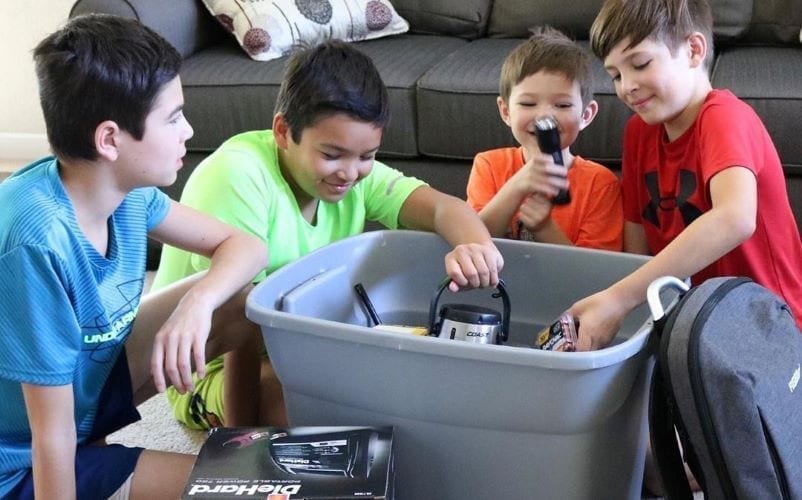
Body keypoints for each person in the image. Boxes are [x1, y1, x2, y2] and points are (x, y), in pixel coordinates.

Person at [152, 40, 505, 431]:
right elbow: (240, 325)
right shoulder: (238, 176)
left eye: (367, 156)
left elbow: (443, 208)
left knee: (401, 399)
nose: (350, 172)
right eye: (332, 155)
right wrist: (242, 440)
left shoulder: (351, 177)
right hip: (211, 365)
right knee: (322, 418)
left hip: (301, 346)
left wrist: (475, 246)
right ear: (284, 132)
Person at [0, 14, 269, 499]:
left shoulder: (126, 190)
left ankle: (242, 445)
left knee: (240, 301)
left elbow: (247, 247)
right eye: (172, 118)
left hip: (82, 399)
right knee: (239, 494)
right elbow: (51, 436)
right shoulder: (35, 241)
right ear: (109, 139)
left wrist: (196, 306)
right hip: (21, 461)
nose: (188, 130)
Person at [577, 0, 802, 491]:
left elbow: (735, 218)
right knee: (623, 449)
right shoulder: (639, 133)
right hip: (690, 331)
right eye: (614, 74)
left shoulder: (725, 117)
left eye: (639, 64)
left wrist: (617, 300)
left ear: (694, 49)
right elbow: (637, 241)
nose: (625, 86)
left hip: (769, 336)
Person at [467, 26, 624, 250]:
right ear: (505, 112)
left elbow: (593, 271)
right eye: (528, 104)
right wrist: (516, 187)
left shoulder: (600, 184)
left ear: (586, 115)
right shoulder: (489, 166)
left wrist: (544, 228)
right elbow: (471, 242)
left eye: (562, 105)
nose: (544, 117)